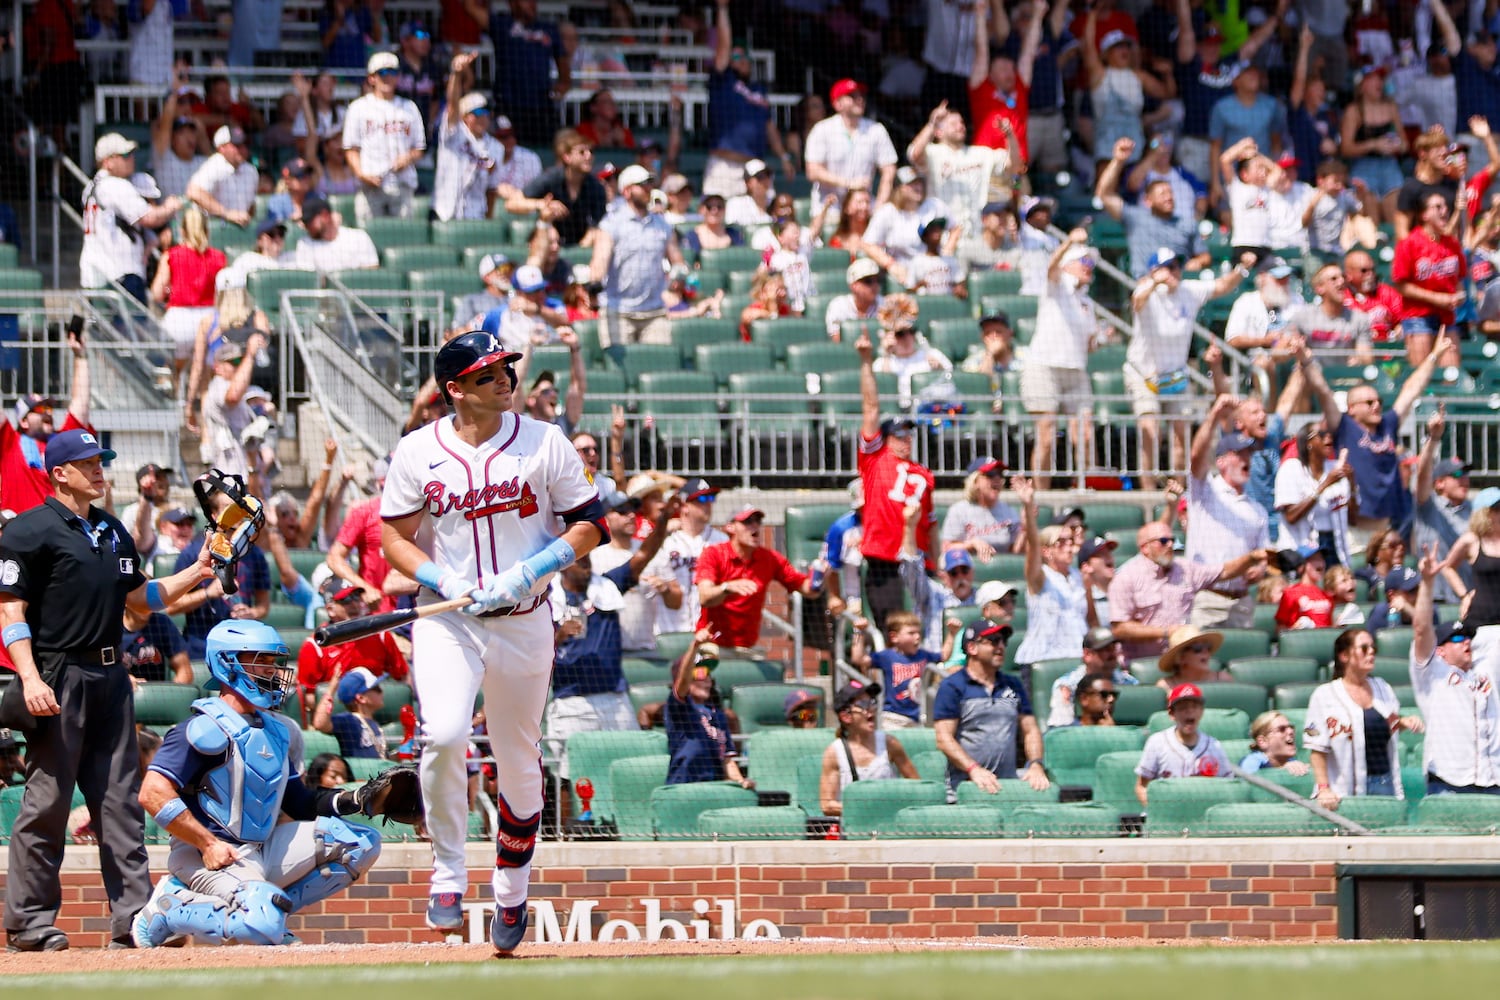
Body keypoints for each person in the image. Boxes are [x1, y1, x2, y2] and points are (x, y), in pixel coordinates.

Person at [379, 330, 605, 952]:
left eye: (505, 368)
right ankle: (448, 870)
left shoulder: (543, 439)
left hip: (526, 613)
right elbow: (393, 538)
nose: (504, 378)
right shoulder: (417, 450)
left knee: (518, 759)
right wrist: (440, 575)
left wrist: (531, 570)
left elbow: (591, 525)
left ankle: (512, 887)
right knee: (446, 734)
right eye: (487, 374)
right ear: (454, 389)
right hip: (449, 616)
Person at [0, 429, 217, 951]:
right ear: (59, 472)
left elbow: (142, 599)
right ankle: (29, 924)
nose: (100, 470)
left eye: (101, 461)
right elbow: (10, 611)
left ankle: (136, 920)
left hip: (110, 676)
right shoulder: (27, 532)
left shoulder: (112, 530)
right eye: (88, 463)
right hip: (58, 675)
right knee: (48, 803)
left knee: (120, 803)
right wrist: (29, 677)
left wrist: (198, 569)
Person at [130, 619, 383, 949]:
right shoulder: (200, 728)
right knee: (259, 925)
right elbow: (152, 793)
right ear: (227, 664)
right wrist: (207, 844)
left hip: (262, 848)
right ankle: (168, 906)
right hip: (209, 854)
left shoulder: (280, 730)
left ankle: (270, 916)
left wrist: (356, 799)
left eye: (273, 663)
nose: (272, 672)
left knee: (360, 843)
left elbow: (297, 802)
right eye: (260, 662)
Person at [1303, 332, 1454, 538]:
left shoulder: (1387, 425)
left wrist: (1434, 356)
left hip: (1388, 527)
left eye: (1379, 402)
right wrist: (1305, 359)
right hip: (1354, 529)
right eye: (1369, 403)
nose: (1376, 406)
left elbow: (1410, 390)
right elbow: (1322, 391)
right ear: (1352, 408)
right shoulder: (1344, 426)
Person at [1128, 248, 1249, 490]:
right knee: (1150, 431)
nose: (1174, 271)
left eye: (1177, 266)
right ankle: (1148, 491)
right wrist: (1153, 281)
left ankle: (1179, 487)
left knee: (1181, 435)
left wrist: (1242, 269)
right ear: (1155, 270)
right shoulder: (1147, 290)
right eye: (1168, 266)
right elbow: (1137, 301)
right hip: (1144, 371)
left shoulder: (1189, 291)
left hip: (1174, 373)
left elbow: (1222, 286)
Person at [855, 333, 936, 633]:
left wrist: (935, 564)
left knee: (923, 632)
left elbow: (931, 523)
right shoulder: (874, 460)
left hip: (918, 562)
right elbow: (871, 406)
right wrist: (866, 361)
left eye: (909, 435)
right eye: (899, 436)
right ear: (886, 438)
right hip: (883, 559)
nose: (906, 441)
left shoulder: (924, 474)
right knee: (895, 633)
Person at [1109, 519, 1265, 664]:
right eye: (1163, 541)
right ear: (1145, 548)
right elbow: (1120, 628)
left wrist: (1250, 558)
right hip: (1144, 663)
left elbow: (1224, 572)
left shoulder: (1185, 569)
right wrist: (1165, 632)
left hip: (1182, 663)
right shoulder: (1126, 577)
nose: (1170, 545)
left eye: (1172, 540)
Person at [1411, 546, 1500, 795]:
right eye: (1458, 638)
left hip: (1493, 779)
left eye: (1468, 637)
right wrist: (1428, 583)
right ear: (1440, 650)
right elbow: (1421, 628)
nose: (1467, 641)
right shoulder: (1431, 673)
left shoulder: (1487, 668)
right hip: (1448, 781)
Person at [934, 618, 1047, 802]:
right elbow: (943, 739)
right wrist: (974, 769)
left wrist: (1035, 765)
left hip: (1006, 790)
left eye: (1003, 641)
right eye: (993, 641)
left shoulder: (1013, 685)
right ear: (972, 648)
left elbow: (1031, 730)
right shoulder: (952, 686)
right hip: (964, 790)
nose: (1001, 646)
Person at [1305, 628, 1419, 810]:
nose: (1372, 652)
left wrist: (1403, 722)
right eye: (1364, 648)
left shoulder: (1382, 687)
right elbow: (1317, 749)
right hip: (1343, 788)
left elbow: (1379, 727)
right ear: (1344, 656)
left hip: (1384, 782)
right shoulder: (1324, 695)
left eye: (1374, 648)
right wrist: (1323, 789)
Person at [1186, 395, 1272, 629]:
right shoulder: (1205, 490)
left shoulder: (1257, 510)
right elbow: (1195, 456)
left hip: (1242, 601)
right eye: (1240, 454)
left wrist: (1260, 568)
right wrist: (1214, 414)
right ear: (1222, 461)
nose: (1247, 459)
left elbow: (1264, 554)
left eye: (1249, 454)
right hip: (1207, 597)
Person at [1024, 229, 1099, 487]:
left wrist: (1098, 340)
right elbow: (1051, 265)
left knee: (1086, 433)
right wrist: (1069, 241)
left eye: (1091, 263)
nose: (1089, 267)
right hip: (1044, 367)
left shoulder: (1087, 303)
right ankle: (1041, 494)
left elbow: (1090, 344)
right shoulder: (1057, 285)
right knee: (1046, 434)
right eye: (1084, 262)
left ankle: (1086, 487)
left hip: (1075, 371)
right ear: (1069, 264)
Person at [590, 163, 682, 364]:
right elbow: (600, 260)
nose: (649, 189)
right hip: (618, 311)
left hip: (655, 312)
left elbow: (677, 261)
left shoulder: (662, 224)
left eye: (650, 184)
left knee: (660, 369)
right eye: (642, 185)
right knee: (620, 373)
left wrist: (678, 277)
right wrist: (595, 278)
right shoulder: (611, 223)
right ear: (627, 190)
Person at [695, 505, 820, 650]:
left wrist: (821, 572)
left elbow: (808, 589)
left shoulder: (769, 558)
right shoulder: (713, 554)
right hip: (712, 644)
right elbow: (704, 597)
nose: (754, 526)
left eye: (757, 521)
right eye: (747, 522)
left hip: (747, 646)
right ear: (730, 527)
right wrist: (727, 587)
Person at [703, 1, 791, 199]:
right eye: (736, 57)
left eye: (745, 58)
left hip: (755, 167)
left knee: (763, 218)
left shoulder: (759, 90)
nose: (742, 60)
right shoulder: (722, 81)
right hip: (724, 166)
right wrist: (723, 9)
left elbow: (769, 125)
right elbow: (723, 47)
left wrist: (784, 157)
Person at [81, 133, 183, 301]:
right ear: (108, 162)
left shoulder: (91, 185)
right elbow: (149, 218)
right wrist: (170, 207)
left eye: (131, 154)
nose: (131, 158)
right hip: (121, 274)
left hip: (95, 273)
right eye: (125, 155)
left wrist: (151, 240)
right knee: (133, 326)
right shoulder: (115, 185)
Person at [1095, 137, 1210, 277]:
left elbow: (1204, 256)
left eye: (1170, 193)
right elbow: (1104, 194)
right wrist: (1118, 160)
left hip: (1178, 285)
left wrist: (1198, 262)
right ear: (1147, 200)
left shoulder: (1186, 223)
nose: (1168, 197)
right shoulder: (1135, 217)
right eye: (1162, 194)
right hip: (1146, 285)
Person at [295, 577, 409, 716]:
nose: (354, 604)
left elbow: (402, 677)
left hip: (377, 711)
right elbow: (310, 698)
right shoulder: (315, 645)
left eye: (357, 597)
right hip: (335, 717)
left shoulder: (380, 635)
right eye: (346, 601)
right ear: (330, 609)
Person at [1010, 475, 1092, 668]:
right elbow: (1032, 544)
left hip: (1077, 659)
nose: (1068, 546)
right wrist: (1029, 510)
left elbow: (1091, 620)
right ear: (1046, 550)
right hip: (1042, 660)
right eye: (1061, 542)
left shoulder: (1079, 577)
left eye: (1070, 541)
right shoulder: (1040, 576)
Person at [906, 100, 1016, 241]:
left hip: (975, 236)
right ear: (939, 132)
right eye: (953, 124)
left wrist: (1010, 136)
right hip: (943, 236)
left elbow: (1014, 167)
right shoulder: (932, 152)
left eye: (962, 123)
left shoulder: (980, 153)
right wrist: (932, 124)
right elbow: (914, 154)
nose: (960, 127)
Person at [343, 52, 427, 225]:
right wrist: (361, 174)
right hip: (371, 186)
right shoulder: (358, 108)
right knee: (370, 238)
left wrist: (408, 157)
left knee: (403, 239)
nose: (388, 77)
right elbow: (351, 149)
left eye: (392, 73)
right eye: (382, 73)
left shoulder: (409, 107)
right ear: (372, 78)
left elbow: (419, 147)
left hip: (402, 185)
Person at [818, 678, 919, 816]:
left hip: (889, 827)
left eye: (872, 702)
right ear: (846, 716)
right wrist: (864, 809)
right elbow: (827, 805)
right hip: (852, 831)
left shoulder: (890, 744)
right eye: (863, 704)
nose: (871, 709)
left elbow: (917, 786)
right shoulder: (834, 752)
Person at [478, 0, 570, 147]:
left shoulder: (548, 28)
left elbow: (562, 59)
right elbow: (470, 7)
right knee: (505, 148)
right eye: (526, 1)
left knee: (546, 148)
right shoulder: (501, 24)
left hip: (541, 105)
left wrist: (564, 83)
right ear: (512, 4)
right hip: (509, 104)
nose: (532, 5)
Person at [663, 634, 750, 788]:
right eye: (700, 673)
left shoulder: (718, 715)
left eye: (709, 675)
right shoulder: (680, 707)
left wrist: (741, 782)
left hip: (712, 788)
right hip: (682, 787)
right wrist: (695, 645)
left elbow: (727, 758)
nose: (707, 679)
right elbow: (682, 683)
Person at [1393, 191, 1466, 367]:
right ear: (1424, 214)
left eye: (1446, 206)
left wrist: (1459, 295)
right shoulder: (1409, 243)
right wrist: (1436, 298)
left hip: (1447, 317)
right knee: (1422, 375)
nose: (1445, 211)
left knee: (1451, 376)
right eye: (1438, 207)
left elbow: (1459, 280)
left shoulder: (1452, 243)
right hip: (1418, 317)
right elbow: (1401, 285)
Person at [804, 78, 899, 209]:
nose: (859, 99)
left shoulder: (876, 130)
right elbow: (813, 171)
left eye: (861, 95)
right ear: (837, 103)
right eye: (852, 96)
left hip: (863, 208)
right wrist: (848, 183)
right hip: (829, 207)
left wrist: (880, 206)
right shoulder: (822, 129)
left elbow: (889, 170)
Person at [1414, 408, 1474, 606]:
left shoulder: (1476, 511)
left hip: (1467, 597)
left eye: (1466, 474)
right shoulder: (1428, 506)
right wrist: (1434, 438)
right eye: (1456, 476)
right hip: (1435, 598)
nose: (1464, 480)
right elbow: (1422, 474)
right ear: (1439, 483)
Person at [433, 54, 504, 222]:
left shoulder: (496, 147)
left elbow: (492, 188)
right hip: (445, 212)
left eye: (486, 113)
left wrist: (489, 217)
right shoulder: (454, 133)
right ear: (465, 116)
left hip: (475, 214)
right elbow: (452, 104)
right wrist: (456, 75)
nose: (483, 117)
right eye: (477, 113)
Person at [1135, 682, 1232, 805]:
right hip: (1168, 813)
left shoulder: (1214, 746)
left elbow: (1228, 787)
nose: (1189, 712)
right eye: (1183, 708)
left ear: (1201, 711)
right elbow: (1142, 787)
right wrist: (1156, 812)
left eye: (1194, 707)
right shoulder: (1157, 742)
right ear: (1171, 714)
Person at [1275, 420, 1353, 568]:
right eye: (1322, 434)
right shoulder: (1291, 469)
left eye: (1331, 434)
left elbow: (1353, 519)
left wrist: (1353, 484)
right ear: (1308, 443)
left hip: (1334, 546)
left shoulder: (1335, 468)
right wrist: (1324, 485)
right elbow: (1291, 516)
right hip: (1300, 551)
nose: (1328, 438)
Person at [849, 610, 944, 730]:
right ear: (894, 637)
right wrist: (859, 632)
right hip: (893, 717)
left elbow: (943, 656)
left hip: (919, 716)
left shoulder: (923, 655)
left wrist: (952, 634)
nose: (917, 637)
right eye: (911, 633)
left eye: (918, 632)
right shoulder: (887, 656)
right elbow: (858, 659)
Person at [1046, 626, 1138, 729]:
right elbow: (1060, 727)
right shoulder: (1066, 685)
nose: (1112, 654)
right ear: (1087, 654)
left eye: (1113, 648)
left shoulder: (1130, 683)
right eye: (1106, 649)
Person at [942, 457, 1022, 561]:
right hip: (968, 570)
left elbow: (1016, 552)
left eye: (1000, 474)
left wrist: (1027, 523)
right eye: (991, 474)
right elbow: (947, 548)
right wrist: (972, 543)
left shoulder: (1009, 511)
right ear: (975, 482)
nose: (997, 478)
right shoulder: (959, 510)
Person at [186, 126, 258, 229]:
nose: (242, 149)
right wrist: (226, 213)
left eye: (244, 144)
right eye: (237, 145)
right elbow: (193, 192)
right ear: (221, 148)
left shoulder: (251, 170)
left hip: (240, 229)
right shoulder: (214, 165)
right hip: (213, 228)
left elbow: (251, 207)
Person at [311, 665, 388, 760]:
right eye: (377, 689)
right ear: (361, 698)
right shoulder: (348, 721)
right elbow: (319, 723)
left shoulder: (374, 723)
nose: (382, 692)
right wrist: (331, 690)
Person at [291, 196, 380, 273]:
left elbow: (371, 272)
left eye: (309, 221)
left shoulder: (358, 237)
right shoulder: (304, 243)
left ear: (325, 216)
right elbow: (310, 281)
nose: (306, 226)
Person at [120, 605, 192, 685]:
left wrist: (170, 693)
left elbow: (184, 671)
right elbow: (105, 671)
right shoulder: (112, 627)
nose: (146, 604)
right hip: (122, 692)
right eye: (141, 598)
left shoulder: (161, 623)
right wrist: (124, 679)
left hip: (158, 692)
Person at [824, 258, 885, 340]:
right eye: (868, 281)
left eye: (878, 280)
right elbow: (836, 342)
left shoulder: (885, 304)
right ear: (854, 285)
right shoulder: (839, 306)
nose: (875, 285)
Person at [1276, 545, 1333, 631]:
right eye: (1315, 559)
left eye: (1322, 558)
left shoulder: (1326, 594)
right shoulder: (1291, 593)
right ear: (1301, 566)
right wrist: (1294, 629)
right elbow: (1280, 629)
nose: (1321, 563)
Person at [1156, 625, 1230, 687]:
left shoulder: (1223, 679)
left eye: (1207, 646)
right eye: (1198, 648)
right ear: (1180, 658)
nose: (1205, 651)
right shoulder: (1167, 686)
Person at [1240, 711, 1311, 776]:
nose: (1290, 731)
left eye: (1291, 727)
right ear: (1262, 741)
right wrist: (1282, 771)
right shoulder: (1252, 761)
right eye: (1281, 729)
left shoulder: (1292, 761)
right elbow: (1249, 782)